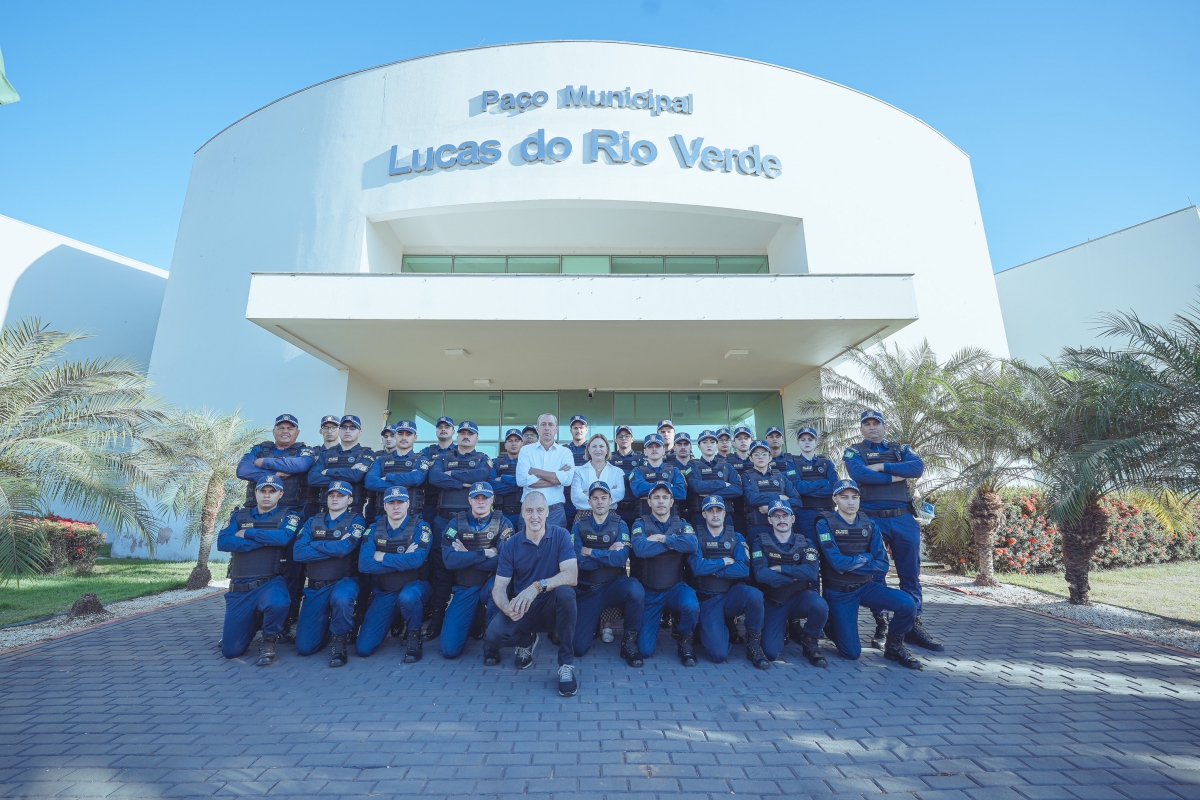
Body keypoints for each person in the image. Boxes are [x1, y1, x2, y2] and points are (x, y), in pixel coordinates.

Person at [843, 410, 943, 652]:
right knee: (877, 574)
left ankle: (912, 625)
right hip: (872, 520)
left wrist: (881, 466)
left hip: (903, 519)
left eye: (876, 423)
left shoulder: (901, 449)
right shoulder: (853, 451)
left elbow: (916, 468)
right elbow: (859, 474)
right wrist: (893, 477)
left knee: (910, 574)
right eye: (867, 424)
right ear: (861, 429)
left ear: (884, 427)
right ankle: (883, 624)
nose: (872, 427)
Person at [815, 479, 921, 669]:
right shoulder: (824, 523)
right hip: (840, 593)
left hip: (866, 587)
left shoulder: (870, 524)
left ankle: (894, 647)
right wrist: (865, 557)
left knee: (907, 604)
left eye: (854, 497)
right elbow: (836, 563)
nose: (850, 502)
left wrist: (850, 564)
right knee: (851, 653)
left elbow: (882, 566)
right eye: (844, 497)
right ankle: (831, 624)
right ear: (835, 499)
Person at [486, 491, 580, 697]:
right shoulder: (511, 545)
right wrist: (506, 608)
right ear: (522, 514)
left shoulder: (561, 535)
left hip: (552, 606)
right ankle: (526, 641)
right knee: (493, 636)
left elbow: (571, 575)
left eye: (539, 510)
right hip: (524, 608)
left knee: (566, 592)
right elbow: (499, 587)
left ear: (547, 512)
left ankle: (565, 665)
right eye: (529, 511)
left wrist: (537, 586)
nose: (534, 516)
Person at [235, 413, 316, 642]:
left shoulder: (304, 450)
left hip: (291, 516)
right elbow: (242, 470)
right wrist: (275, 474)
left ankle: (284, 624)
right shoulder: (258, 448)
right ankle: (250, 623)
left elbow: (301, 465)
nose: (285, 431)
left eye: (290, 428)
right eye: (281, 427)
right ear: (274, 431)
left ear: (297, 432)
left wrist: (263, 464)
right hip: (257, 515)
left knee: (291, 571)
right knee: (253, 569)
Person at [217, 476, 301, 666]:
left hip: (269, 583)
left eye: (272, 491)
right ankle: (252, 623)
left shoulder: (289, 516)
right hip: (240, 588)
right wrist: (263, 543)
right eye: (263, 491)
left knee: (278, 603)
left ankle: (269, 639)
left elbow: (283, 538)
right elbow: (223, 542)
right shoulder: (239, 516)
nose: (267, 495)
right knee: (231, 651)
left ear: (281, 494)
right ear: (256, 493)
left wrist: (248, 533)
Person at [426, 421, 496, 641]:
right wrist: (463, 484)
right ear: (457, 436)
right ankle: (437, 620)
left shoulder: (483, 458)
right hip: (443, 519)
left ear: (476, 438)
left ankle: (475, 620)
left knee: (470, 570)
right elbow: (435, 478)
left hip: (469, 522)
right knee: (441, 573)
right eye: (463, 433)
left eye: (470, 433)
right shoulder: (442, 457)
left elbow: (481, 476)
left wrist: (452, 476)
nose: (466, 436)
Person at [688, 496, 769, 669]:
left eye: (718, 510)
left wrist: (713, 571)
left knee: (754, 595)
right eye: (710, 511)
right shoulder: (695, 537)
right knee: (718, 655)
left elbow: (743, 569)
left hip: (732, 595)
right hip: (708, 599)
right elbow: (697, 568)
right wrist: (723, 562)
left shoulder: (737, 537)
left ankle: (753, 644)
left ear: (724, 514)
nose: (715, 514)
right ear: (704, 514)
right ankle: (713, 629)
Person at [356, 486, 434, 662]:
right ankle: (395, 617)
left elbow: (416, 560)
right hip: (386, 591)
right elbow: (364, 565)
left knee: (407, 598)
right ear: (385, 506)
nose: (396, 507)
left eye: (400, 502)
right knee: (364, 648)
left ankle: (414, 635)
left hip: (414, 586)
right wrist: (403, 558)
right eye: (391, 503)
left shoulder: (421, 527)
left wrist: (382, 556)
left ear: (408, 503)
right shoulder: (373, 528)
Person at [571, 480, 645, 667]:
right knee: (578, 648)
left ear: (610, 500)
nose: (599, 502)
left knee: (635, 589)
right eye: (595, 498)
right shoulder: (579, 525)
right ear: (589, 502)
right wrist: (607, 553)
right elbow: (576, 560)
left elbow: (620, 559)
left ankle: (629, 643)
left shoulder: (620, 524)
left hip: (614, 585)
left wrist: (590, 551)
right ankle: (593, 624)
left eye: (603, 498)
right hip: (588, 589)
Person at [293, 481, 366, 667]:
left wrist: (313, 544)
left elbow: (344, 549)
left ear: (350, 499)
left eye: (341, 495)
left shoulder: (357, 521)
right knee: (304, 648)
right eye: (332, 495)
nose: (335, 499)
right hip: (316, 587)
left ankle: (339, 641)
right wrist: (333, 546)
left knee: (342, 599)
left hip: (344, 581)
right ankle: (325, 630)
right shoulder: (312, 521)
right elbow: (298, 553)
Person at [441, 483, 516, 661]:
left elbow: (504, 562)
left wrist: (466, 557)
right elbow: (449, 560)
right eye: (476, 498)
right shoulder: (455, 523)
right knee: (449, 650)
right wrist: (484, 553)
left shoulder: (503, 523)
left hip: (491, 585)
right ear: (469, 500)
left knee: (496, 589)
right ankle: (476, 618)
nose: (481, 502)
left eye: (485, 498)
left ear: (492, 499)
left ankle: (491, 643)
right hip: (466, 587)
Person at [751, 499, 829, 666]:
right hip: (773, 603)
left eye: (785, 516)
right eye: (776, 516)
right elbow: (760, 574)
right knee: (771, 653)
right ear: (770, 520)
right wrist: (794, 577)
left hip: (798, 600)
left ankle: (810, 642)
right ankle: (783, 627)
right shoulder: (760, 542)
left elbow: (811, 572)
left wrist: (780, 568)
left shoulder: (806, 542)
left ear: (792, 518)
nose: (781, 520)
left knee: (820, 605)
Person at [630, 483, 699, 665]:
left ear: (671, 502)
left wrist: (663, 539)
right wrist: (675, 543)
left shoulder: (682, 524)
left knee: (691, 606)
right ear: (649, 502)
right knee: (645, 651)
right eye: (656, 497)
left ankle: (685, 639)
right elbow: (640, 549)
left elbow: (692, 545)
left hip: (676, 588)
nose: (661, 501)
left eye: (665, 497)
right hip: (651, 592)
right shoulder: (640, 523)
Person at [307, 415, 375, 517]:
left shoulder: (367, 453)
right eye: (344, 427)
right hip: (324, 512)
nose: (347, 431)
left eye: (352, 428)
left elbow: (356, 476)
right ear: (339, 430)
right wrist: (348, 474)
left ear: (359, 432)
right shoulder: (326, 453)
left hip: (353, 512)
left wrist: (328, 471)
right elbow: (313, 479)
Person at [515, 413, 575, 529]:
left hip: (555, 512)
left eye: (550, 424)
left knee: (556, 541)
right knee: (527, 541)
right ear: (538, 429)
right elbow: (521, 480)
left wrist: (535, 471)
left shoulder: (565, 452)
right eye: (543, 424)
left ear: (556, 429)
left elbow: (567, 480)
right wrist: (557, 478)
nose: (547, 428)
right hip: (529, 512)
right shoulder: (525, 451)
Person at [365, 420, 431, 522]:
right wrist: (404, 485)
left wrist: (388, 477)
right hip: (382, 517)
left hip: (412, 518)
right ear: (395, 436)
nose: (404, 437)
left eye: (408, 434)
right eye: (400, 433)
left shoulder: (421, 459)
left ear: (415, 437)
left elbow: (416, 478)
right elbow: (370, 482)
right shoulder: (381, 460)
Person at [741, 440, 799, 540]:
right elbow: (750, 498)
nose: (760, 457)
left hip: (782, 528)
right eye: (756, 454)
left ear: (770, 457)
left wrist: (772, 508)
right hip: (757, 527)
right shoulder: (746, 477)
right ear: (750, 458)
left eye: (764, 454)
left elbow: (797, 501)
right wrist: (779, 497)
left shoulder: (781, 477)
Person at [686, 430, 742, 530]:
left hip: (725, 517)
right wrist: (723, 484)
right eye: (705, 442)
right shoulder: (692, 465)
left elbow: (738, 489)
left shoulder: (727, 466)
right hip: (700, 517)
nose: (709, 445)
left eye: (712, 442)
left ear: (716, 445)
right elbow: (696, 487)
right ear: (699, 446)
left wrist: (709, 494)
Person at [791, 427, 837, 540]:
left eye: (810, 439)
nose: (807, 442)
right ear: (798, 443)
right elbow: (797, 488)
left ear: (816, 442)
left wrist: (807, 490)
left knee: (828, 547)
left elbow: (834, 487)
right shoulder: (792, 463)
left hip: (828, 512)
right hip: (804, 514)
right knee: (809, 547)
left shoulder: (827, 463)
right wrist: (823, 482)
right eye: (803, 440)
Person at [628, 434, 686, 517]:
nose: (654, 449)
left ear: (663, 450)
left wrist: (648, 492)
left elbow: (681, 493)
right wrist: (669, 487)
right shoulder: (637, 471)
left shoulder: (674, 471)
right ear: (645, 452)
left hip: (671, 520)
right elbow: (638, 490)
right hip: (644, 519)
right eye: (650, 447)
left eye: (658, 446)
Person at [569, 433, 627, 514]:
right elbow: (576, 498)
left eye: (601, 446)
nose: (598, 449)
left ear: (607, 449)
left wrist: (588, 494)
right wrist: (607, 494)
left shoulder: (617, 472)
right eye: (594, 446)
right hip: (584, 515)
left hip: (610, 515)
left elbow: (619, 494)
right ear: (588, 449)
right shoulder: (578, 471)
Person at [302, 415, 342, 518]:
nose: (329, 431)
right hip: (311, 503)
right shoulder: (313, 452)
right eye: (326, 428)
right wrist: (340, 478)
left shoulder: (344, 453)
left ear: (339, 430)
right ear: (321, 431)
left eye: (333, 427)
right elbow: (311, 478)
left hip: (336, 502)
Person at [421, 416, 457, 524]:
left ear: (453, 431)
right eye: (440, 427)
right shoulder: (426, 452)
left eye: (447, 427)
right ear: (436, 431)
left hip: (452, 503)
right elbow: (424, 475)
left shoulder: (459, 451)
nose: (443, 429)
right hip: (430, 503)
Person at [609, 425, 644, 527]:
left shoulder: (640, 458)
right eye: (620, 436)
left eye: (627, 436)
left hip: (636, 508)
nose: (623, 438)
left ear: (632, 439)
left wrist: (619, 476)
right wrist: (631, 476)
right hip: (616, 508)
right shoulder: (610, 459)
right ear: (616, 440)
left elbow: (642, 479)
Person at [491, 428, 526, 530]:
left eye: (517, 441)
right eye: (510, 441)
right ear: (505, 445)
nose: (513, 444)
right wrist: (518, 486)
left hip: (522, 514)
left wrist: (503, 478)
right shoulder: (495, 463)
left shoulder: (528, 462)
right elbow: (492, 486)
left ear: (522, 444)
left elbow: (528, 482)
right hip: (500, 514)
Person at [563, 414, 589, 521]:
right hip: (567, 502)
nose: (578, 430)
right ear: (571, 431)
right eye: (575, 428)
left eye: (581, 427)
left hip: (587, 500)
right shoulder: (563, 450)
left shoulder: (592, 449)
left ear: (586, 430)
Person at [671, 432, 697, 522]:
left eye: (686, 444)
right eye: (679, 444)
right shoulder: (668, 468)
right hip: (675, 513)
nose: (683, 447)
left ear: (691, 447)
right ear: (674, 447)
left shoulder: (698, 466)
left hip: (697, 512)